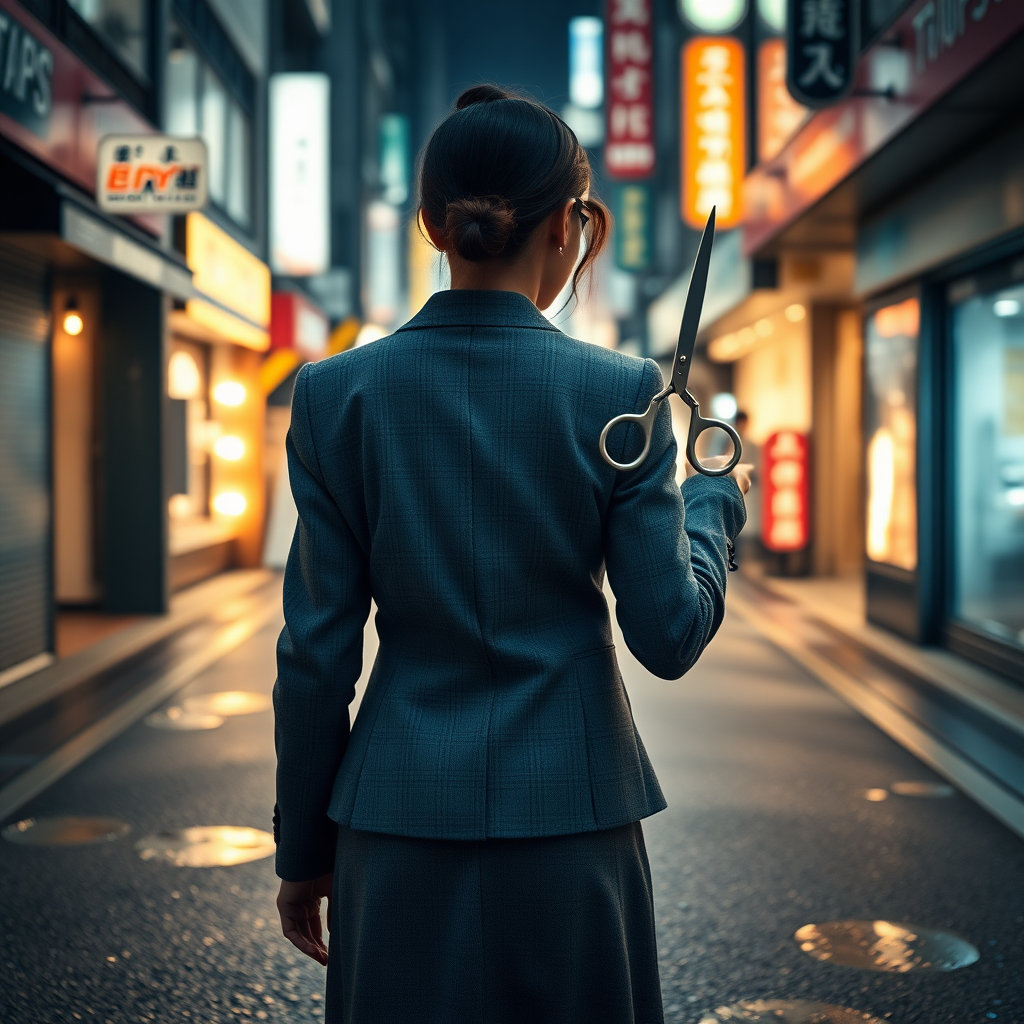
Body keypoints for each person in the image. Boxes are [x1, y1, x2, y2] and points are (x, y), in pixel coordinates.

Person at [272, 84, 751, 1024]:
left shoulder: (337, 396)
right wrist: (710, 505)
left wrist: (303, 852)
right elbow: (669, 630)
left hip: (395, 816)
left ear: (430, 223)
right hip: (573, 815)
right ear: (570, 227)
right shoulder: (619, 393)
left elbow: (315, 656)